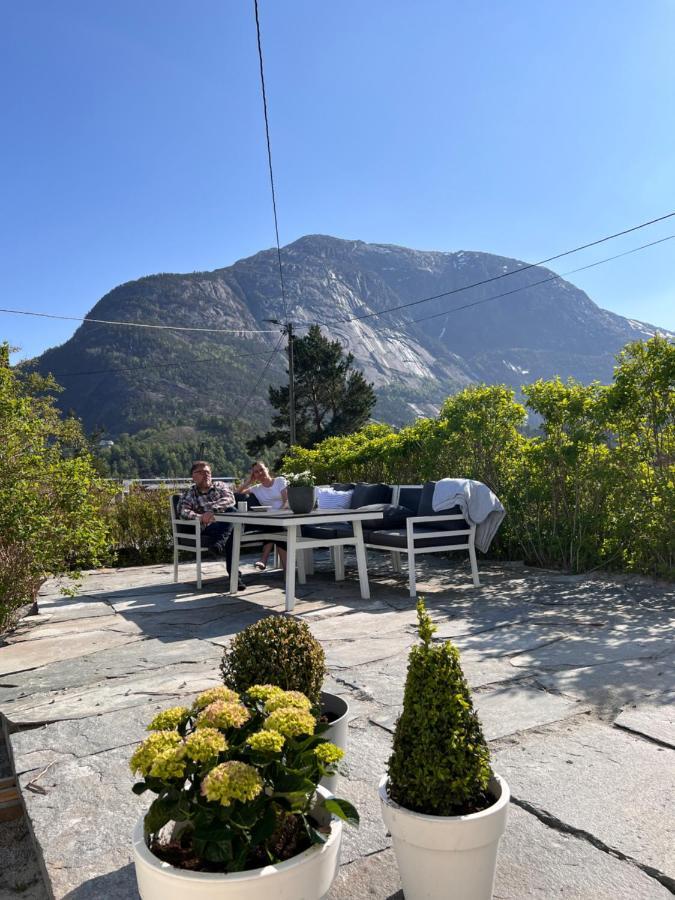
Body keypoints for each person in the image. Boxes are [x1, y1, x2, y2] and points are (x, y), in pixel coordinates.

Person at [177, 461, 245, 590]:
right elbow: (183, 511)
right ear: (193, 476)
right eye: (201, 472)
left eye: (208, 472)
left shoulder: (220, 486)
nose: (206, 475)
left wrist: (211, 510)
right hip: (210, 527)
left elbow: (230, 499)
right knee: (233, 522)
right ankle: (235, 577)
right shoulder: (189, 494)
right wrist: (201, 517)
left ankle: (219, 544)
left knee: (231, 513)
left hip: (227, 524)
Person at [238, 461, 288, 571]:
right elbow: (237, 493)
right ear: (254, 475)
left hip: (285, 516)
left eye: (261, 469)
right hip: (269, 521)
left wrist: (278, 514)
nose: (260, 473)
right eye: (256, 472)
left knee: (275, 528)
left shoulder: (279, 481)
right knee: (276, 529)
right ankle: (287, 571)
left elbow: (286, 502)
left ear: (267, 469)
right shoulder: (256, 488)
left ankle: (264, 559)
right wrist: (248, 481)